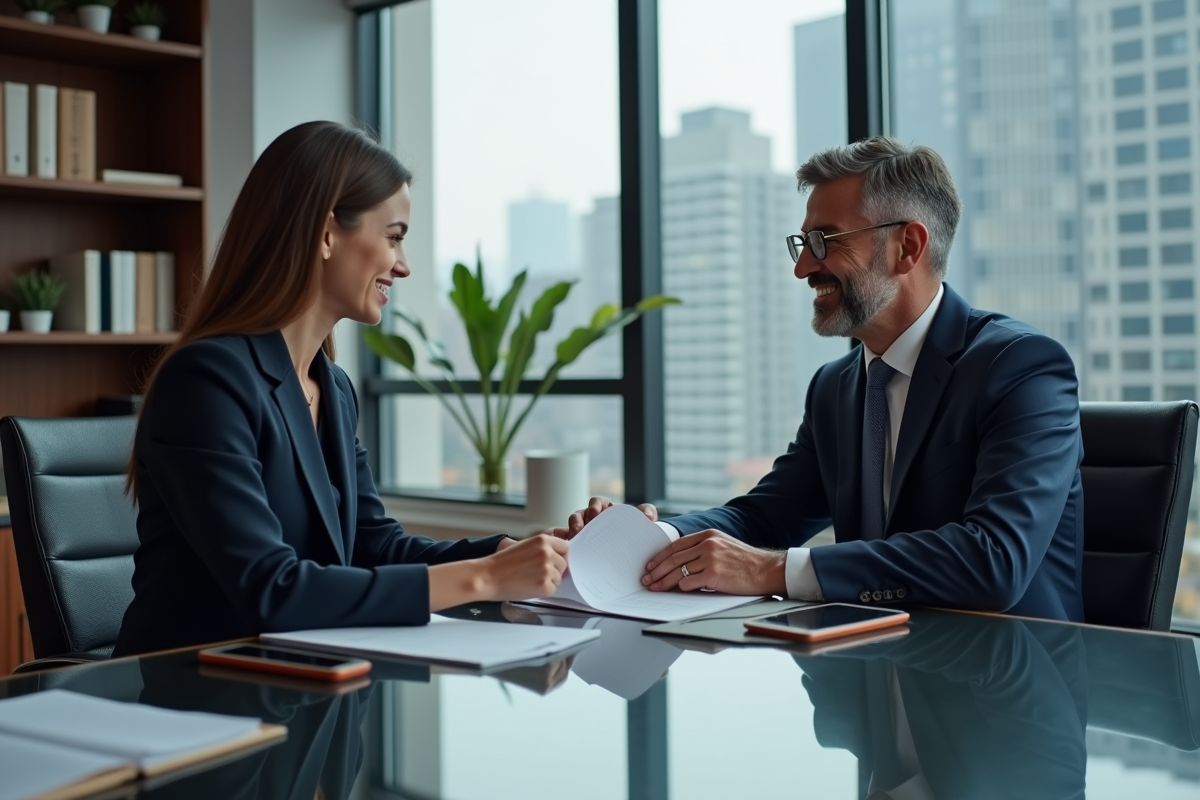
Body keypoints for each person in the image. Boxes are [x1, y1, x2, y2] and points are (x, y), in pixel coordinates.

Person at [564, 137, 1084, 622]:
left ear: (907, 246)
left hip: (1010, 686)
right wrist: (648, 538)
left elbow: (994, 562)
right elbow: (764, 518)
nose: (802, 269)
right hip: (871, 675)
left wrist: (772, 571)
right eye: (803, 243)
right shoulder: (836, 387)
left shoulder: (1021, 367)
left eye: (825, 240)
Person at [113, 121, 568, 657]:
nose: (403, 265)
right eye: (394, 237)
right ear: (327, 232)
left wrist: (513, 553)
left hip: (297, 687)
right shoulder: (206, 381)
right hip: (197, 704)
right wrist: (485, 579)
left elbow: (373, 547)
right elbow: (271, 590)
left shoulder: (332, 387)